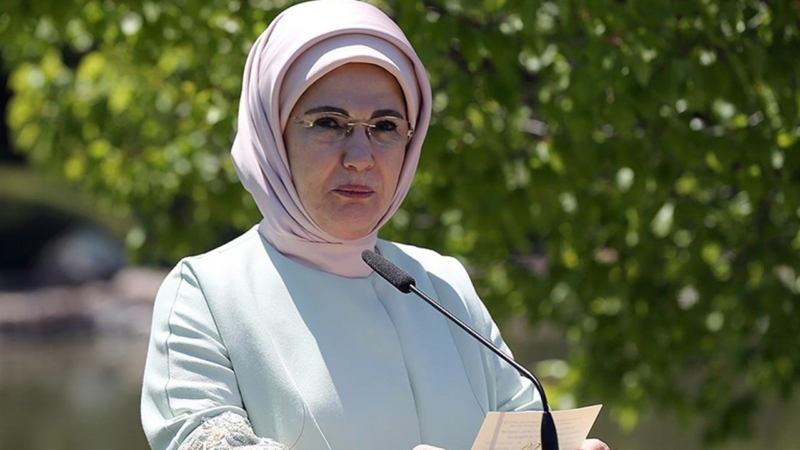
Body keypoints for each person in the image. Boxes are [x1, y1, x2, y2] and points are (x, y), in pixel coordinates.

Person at [140, 1, 609, 450]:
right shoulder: (205, 293)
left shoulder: (442, 282)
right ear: (271, 133)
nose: (360, 157)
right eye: (329, 122)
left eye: (385, 126)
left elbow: (525, 422)